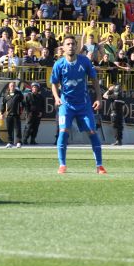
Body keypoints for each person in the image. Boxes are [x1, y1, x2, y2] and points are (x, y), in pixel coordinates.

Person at [50, 34, 105, 174]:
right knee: (63, 132)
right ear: (63, 47)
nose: (71, 46)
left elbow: (94, 79)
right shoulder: (59, 64)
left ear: (76, 46)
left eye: (73, 44)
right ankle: (62, 165)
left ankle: (99, 166)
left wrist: (99, 98)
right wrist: (56, 97)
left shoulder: (84, 61)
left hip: (84, 104)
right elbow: (54, 83)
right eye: (68, 44)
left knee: (92, 131)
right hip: (66, 104)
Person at [0, 81, 23, 148]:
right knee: (9, 129)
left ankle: (18, 142)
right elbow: (3, 105)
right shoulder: (6, 94)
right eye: (11, 86)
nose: (12, 87)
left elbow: (22, 101)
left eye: (14, 86)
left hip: (16, 114)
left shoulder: (18, 94)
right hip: (9, 115)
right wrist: (2, 113)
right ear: (9, 87)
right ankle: (10, 142)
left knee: (18, 129)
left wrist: (22, 112)